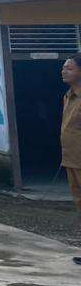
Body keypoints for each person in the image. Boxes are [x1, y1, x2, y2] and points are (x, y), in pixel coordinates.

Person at [59, 56, 81, 266]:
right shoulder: (68, 96)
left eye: (70, 68)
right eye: (63, 68)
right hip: (71, 159)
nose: (64, 71)